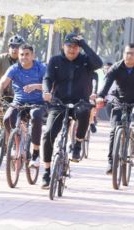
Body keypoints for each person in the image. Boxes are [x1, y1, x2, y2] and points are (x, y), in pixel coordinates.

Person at [41, 32, 103, 189]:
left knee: (84, 112)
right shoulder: (55, 61)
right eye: (69, 46)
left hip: (79, 102)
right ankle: (47, 171)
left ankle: (77, 144)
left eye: (76, 47)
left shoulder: (86, 61)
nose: (72, 50)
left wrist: (84, 45)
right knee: (48, 134)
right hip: (59, 103)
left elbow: (99, 63)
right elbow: (47, 78)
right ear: (63, 46)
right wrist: (47, 91)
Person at [96, 44, 134, 175]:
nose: (129, 56)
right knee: (113, 130)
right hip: (120, 101)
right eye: (127, 53)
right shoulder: (116, 67)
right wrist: (100, 96)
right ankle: (111, 162)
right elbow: (107, 83)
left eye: (132, 53)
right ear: (123, 54)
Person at [0, 44, 46, 167]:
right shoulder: (14, 68)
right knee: (7, 118)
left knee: (36, 116)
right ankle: (14, 143)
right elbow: (2, 83)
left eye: (27, 54)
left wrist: (36, 86)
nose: (24, 57)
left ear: (33, 56)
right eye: (21, 54)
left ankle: (36, 152)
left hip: (37, 103)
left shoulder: (41, 68)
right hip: (19, 102)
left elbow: (51, 86)